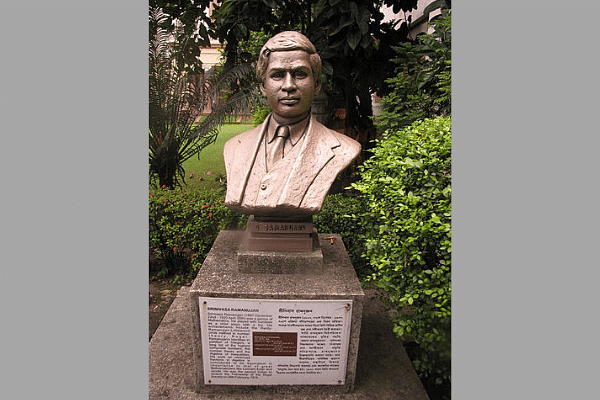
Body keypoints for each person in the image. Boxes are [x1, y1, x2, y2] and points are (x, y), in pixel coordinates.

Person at [223, 31, 361, 217]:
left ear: (317, 85)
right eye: (278, 75)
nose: (289, 85)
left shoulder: (343, 148)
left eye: (299, 74)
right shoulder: (234, 148)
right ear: (263, 86)